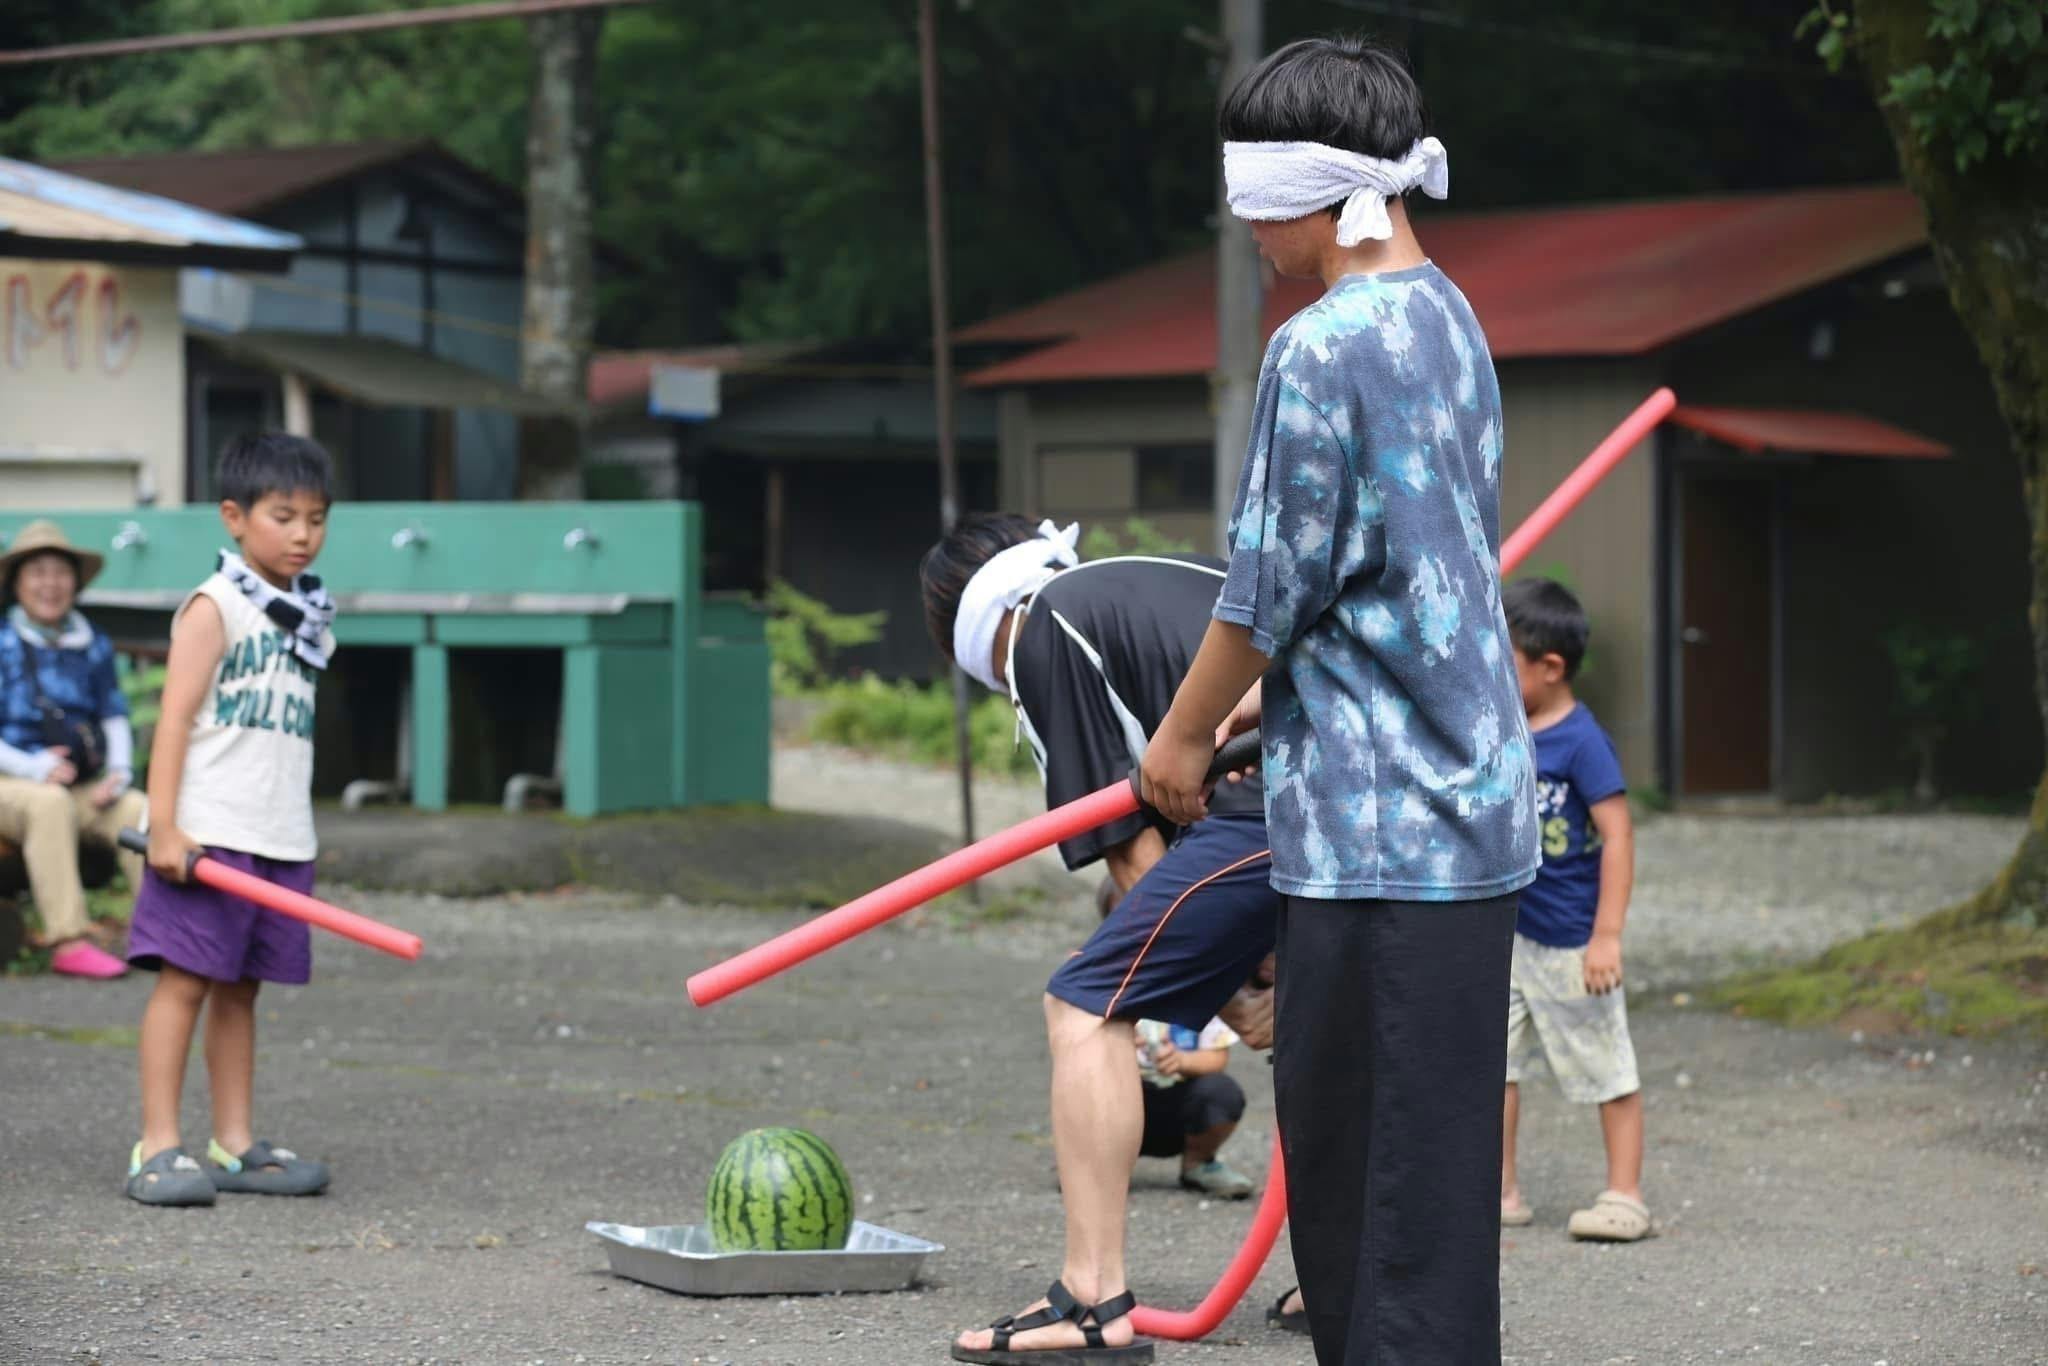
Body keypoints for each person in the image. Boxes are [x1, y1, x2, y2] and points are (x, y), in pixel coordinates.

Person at [1140, 35, 1539, 1365]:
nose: (1243, 224)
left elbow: (1269, 586)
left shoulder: (1322, 345)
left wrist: (1187, 732)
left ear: (1312, 191)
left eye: (1252, 196)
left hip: (1378, 837)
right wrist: (1286, 701)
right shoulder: (1449, 314)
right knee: (1424, 1209)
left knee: (1366, 1202)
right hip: (1463, 806)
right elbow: (1394, 567)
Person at [920, 514, 1281, 1364]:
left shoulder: (1045, 626)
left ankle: (1091, 1298)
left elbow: (1129, 857)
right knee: (1325, 1023)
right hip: (1351, 789)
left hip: (1266, 802)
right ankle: (1344, 1282)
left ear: (972, 632)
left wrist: (1236, 997)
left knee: (1085, 1003)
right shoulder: (1143, 577)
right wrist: (1256, 983)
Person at [124, 433, 339, 1207]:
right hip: (209, 839)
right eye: (283, 516)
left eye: (316, 518)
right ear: (234, 518)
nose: (302, 534)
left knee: (243, 991)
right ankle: (156, 1145)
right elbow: (174, 723)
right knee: (185, 983)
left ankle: (236, 1142)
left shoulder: (304, 617)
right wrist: (166, 827)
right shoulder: (216, 608)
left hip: (278, 838)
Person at [1497, 578, 1648, 1242]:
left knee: (1604, 1065)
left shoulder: (1583, 743)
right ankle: (1496, 1190)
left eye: (1504, 659)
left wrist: (1606, 937)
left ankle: (1625, 1194)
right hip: (1502, 934)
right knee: (1491, 1068)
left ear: (1550, 667)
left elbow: (1618, 834)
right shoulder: (1498, 729)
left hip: (1567, 940)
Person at [0, 520, 148, 980]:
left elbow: (113, 713)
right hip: (12, 785)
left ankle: (165, 935)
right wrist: (32, 764)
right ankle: (69, 939)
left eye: (60, 573)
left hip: (81, 786)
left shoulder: (92, 643)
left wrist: (118, 772)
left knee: (136, 810)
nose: (50, 584)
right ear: (17, 583)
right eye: (38, 573)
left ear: (75, 582)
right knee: (48, 803)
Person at [1133, 1017, 1256, 1200]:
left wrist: (1182, 1061)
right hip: (1124, 1103)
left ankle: (1198, 1162)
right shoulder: (1108, 993)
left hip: (1180, 1104)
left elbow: (1218, 1058)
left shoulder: (1201, 992)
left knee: (1222, 1092)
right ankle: (1099, 1171)